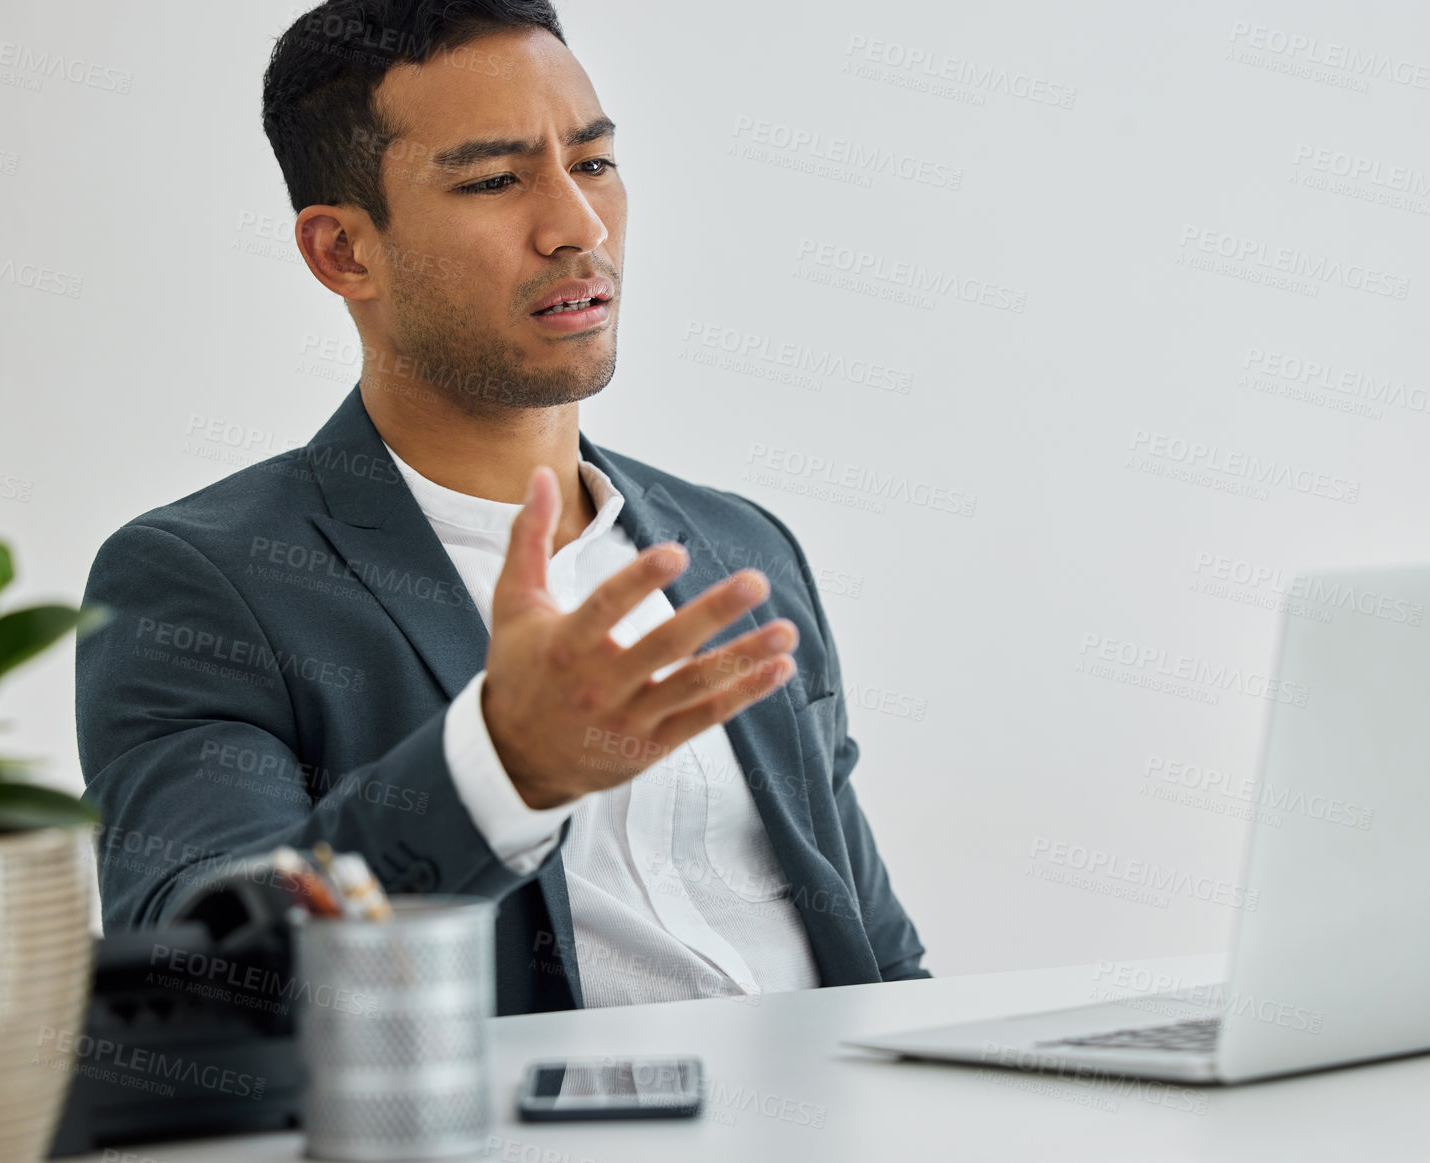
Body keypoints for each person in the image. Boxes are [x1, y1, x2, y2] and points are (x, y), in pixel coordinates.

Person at [76, 0, 928, 1014]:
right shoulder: (205, 581)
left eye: (595, 162)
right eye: (493, 180)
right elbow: (198, 982)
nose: (575, 225)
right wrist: (499, 770)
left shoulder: (738, 547)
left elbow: (880, 967)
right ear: (344, 252)